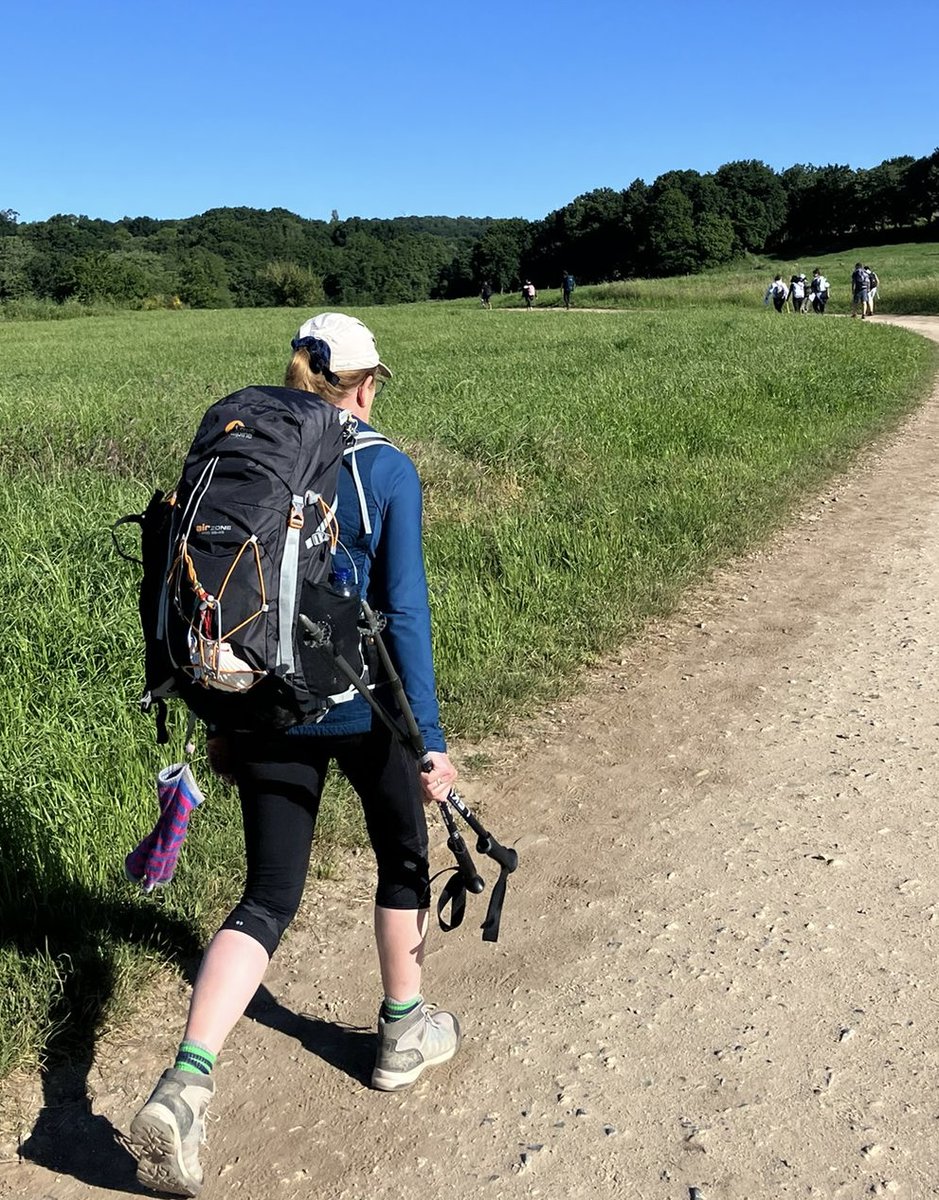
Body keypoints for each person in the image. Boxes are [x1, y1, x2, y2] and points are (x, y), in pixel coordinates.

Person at [129, 312, 461, 1196]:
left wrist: (220, 719)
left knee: (269, 895)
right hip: (363, 710)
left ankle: (186, 1081)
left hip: (260, 703)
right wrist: (428, 741)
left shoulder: (248, 453)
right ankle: (402, 1031)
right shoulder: (385, 469)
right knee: (401, 859)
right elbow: (406, 612)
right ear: (366, 383)